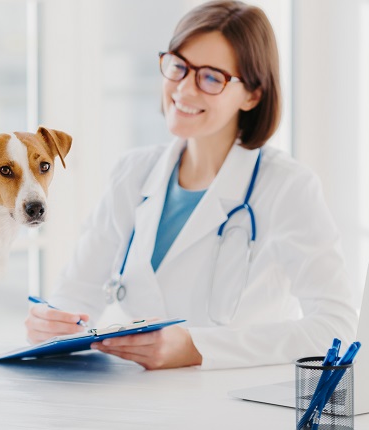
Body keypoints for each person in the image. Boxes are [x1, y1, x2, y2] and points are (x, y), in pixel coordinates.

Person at [25, 0, 358, 370]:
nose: (183, 88)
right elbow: (75, 298)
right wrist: (50, 324)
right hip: (131, 405)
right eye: (178, 66)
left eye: (212, 77)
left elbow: (336, 328)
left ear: (252, 94)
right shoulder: (133, 173)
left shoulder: (287, 187)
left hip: (235, 408)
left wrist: (201, 348)